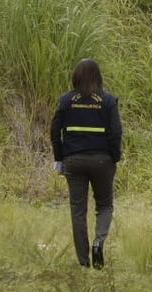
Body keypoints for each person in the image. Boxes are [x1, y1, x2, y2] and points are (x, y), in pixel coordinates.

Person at [50, 58, 123, 268]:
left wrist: (59, 159)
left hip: (73, 161)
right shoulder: (108, 100)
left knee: (78, 211)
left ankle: (83, 261)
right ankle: (98, 243)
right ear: (98, 76)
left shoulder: (66, 100)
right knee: (105, 205)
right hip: (102, 160)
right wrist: (114, 157)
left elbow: (54, 131)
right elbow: (116, 132)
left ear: (76, 76)